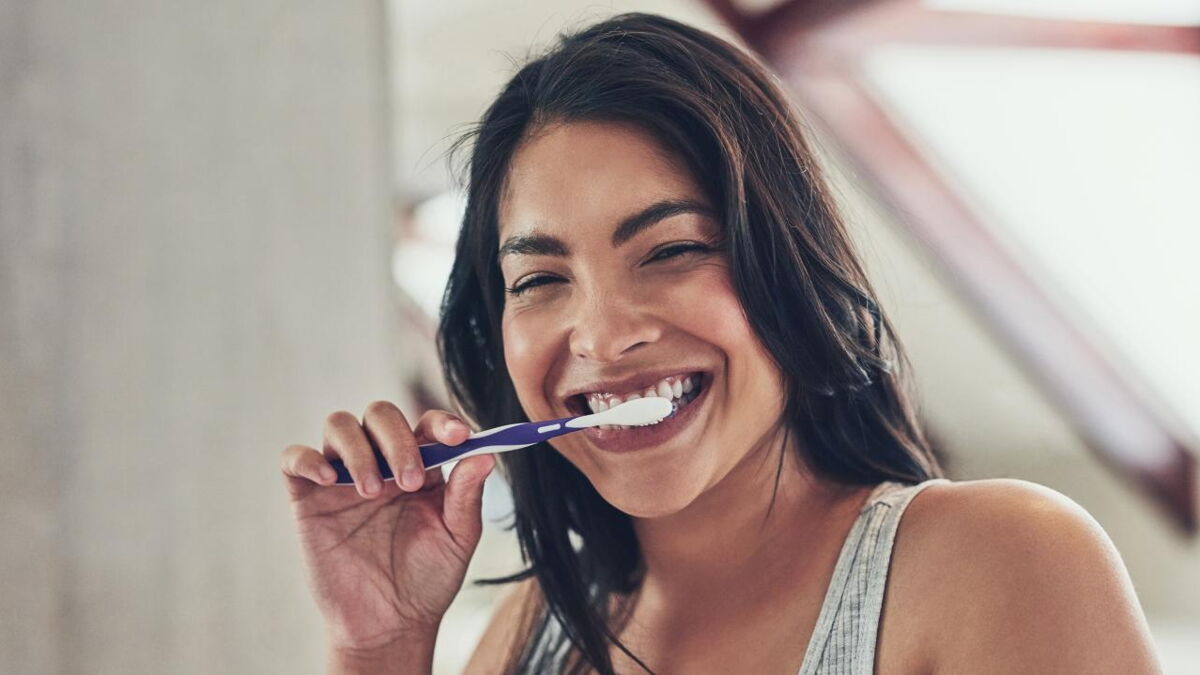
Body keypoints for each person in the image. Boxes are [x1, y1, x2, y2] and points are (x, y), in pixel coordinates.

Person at [280, 12, 1160, 675]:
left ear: (788, 271)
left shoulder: (1002, 560)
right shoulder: (541, 630)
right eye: (541, 279)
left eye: (672, 251)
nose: (605, 333)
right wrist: (382, 644)